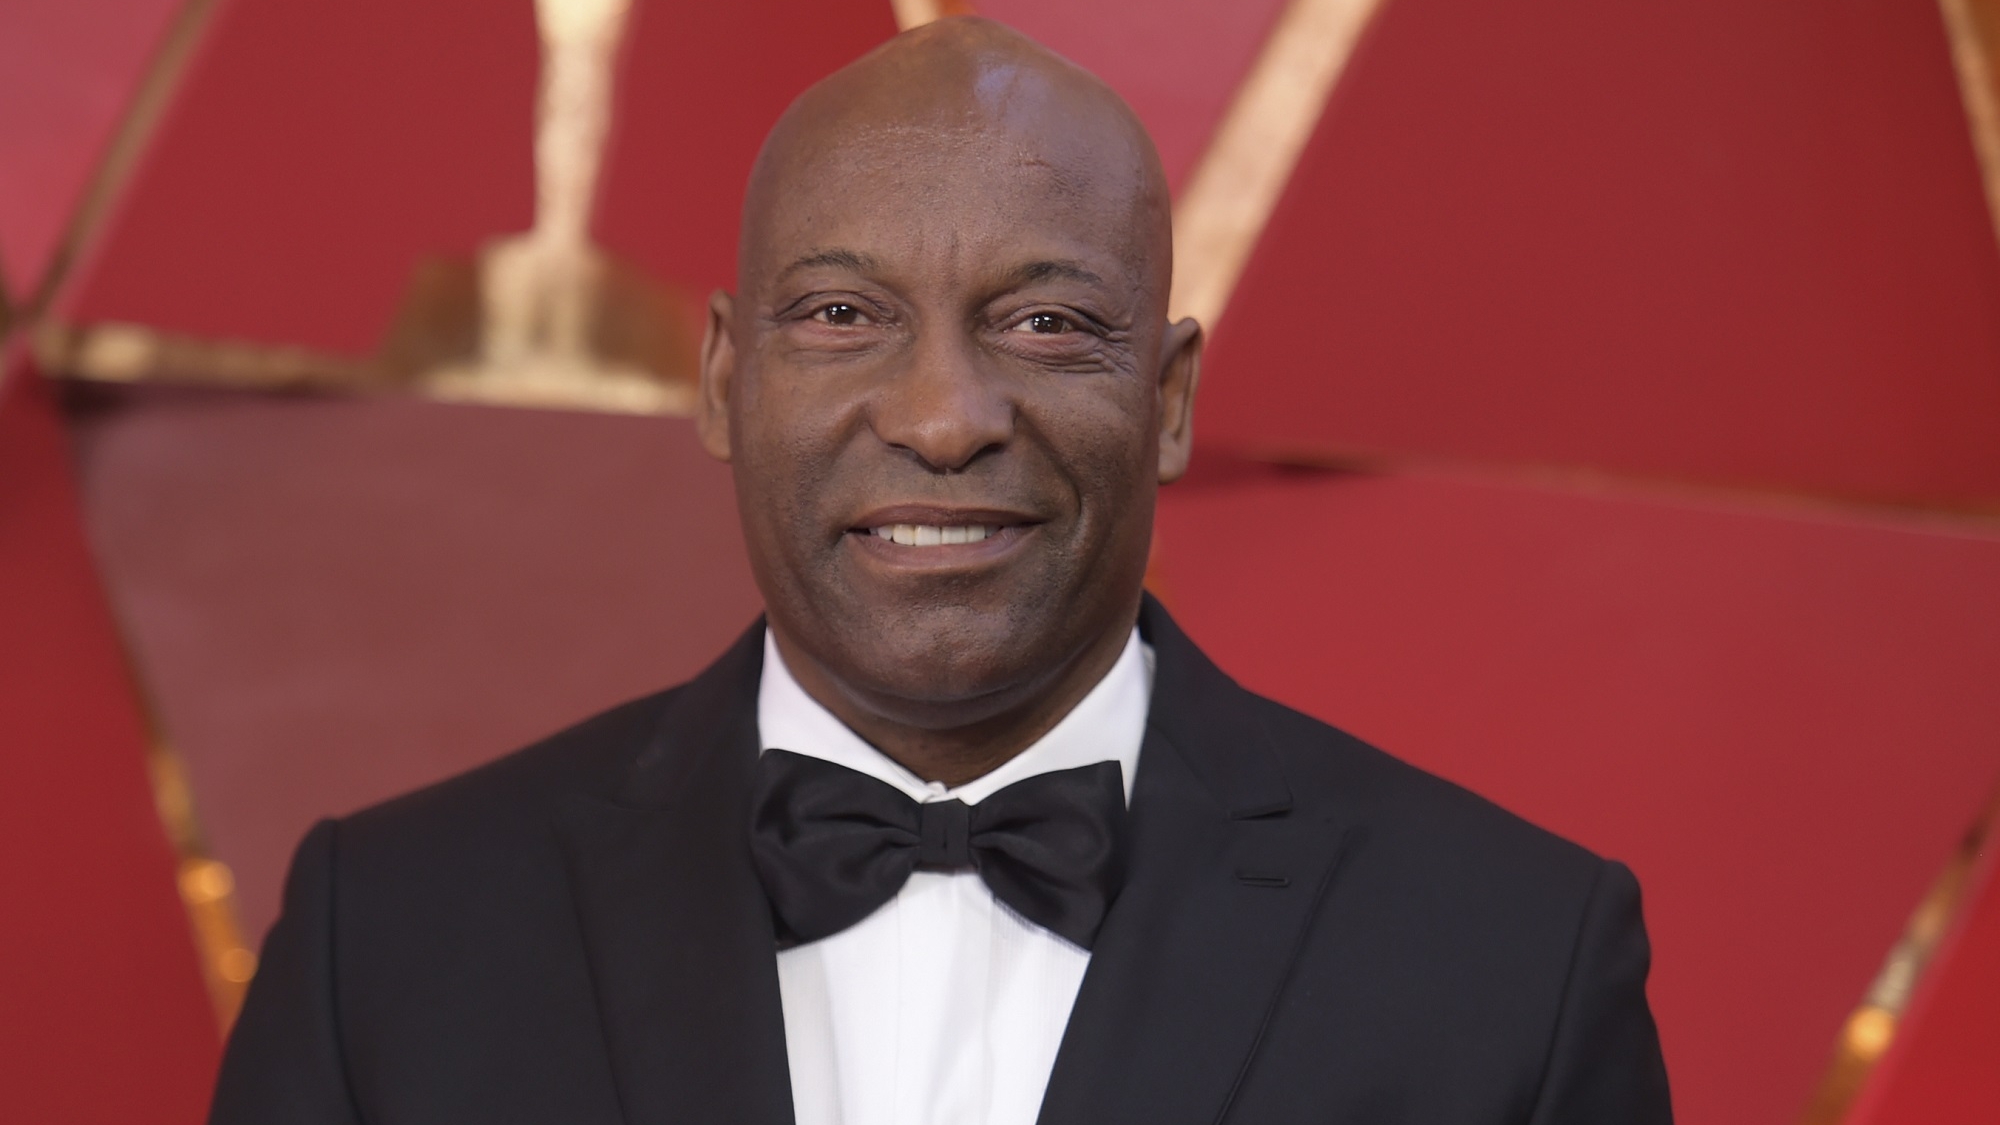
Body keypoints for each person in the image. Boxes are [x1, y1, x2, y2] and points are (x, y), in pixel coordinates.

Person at [209, 17, 1671, 1125]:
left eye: (1043, 324)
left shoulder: (1514, 962)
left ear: (1164, 400)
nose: (942, 417)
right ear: (725, 379)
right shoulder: (388, 939)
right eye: (844, 312)